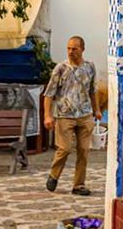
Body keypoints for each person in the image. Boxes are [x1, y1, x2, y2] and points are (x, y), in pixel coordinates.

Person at [43, 35, 101, 196]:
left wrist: (96, 109)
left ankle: (79, 185)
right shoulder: (60, 68)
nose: (70, 51)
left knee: (84, 150)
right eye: (68, 48)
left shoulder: (90, 67)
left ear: (82, 49)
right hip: (64, 115)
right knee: (65, 148)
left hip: (85, 114)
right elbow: (49, 94)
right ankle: (54, 174)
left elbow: (93, 90)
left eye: (74, 49)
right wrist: (48, 116)